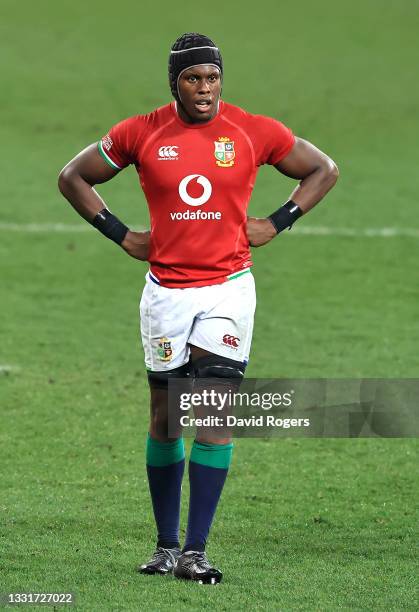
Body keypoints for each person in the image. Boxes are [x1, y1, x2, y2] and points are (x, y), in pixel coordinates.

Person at [58, 32, 338, 584]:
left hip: (228, 289)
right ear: (175, 82)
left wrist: (278, 221)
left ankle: (195, 551)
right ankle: (164, 546)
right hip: (165, 291)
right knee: (166, 422)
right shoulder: (140, 131)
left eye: (212, 79)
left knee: (211, 417)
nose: (205, 89)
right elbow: (73, 178)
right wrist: (119, 234)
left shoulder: (253, 130)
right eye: (193, 79)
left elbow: (323, 168)